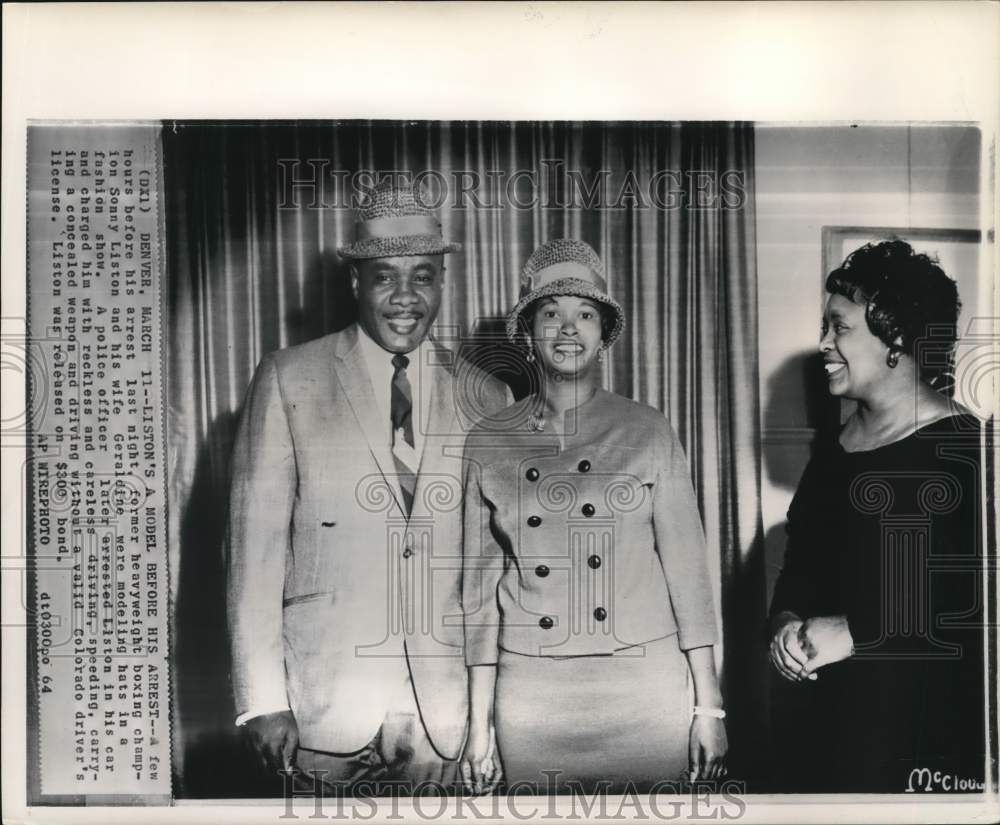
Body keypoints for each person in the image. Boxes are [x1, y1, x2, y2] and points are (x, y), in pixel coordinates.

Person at [227, 178, 509, 794]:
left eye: (423, 276)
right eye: (385, 277)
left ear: (443, 280)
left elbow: (491, 576)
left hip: (443, 714)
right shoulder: (288, 378)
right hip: (318, 706)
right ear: (356, 282)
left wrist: (487, 717)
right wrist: (261, 700)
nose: (406, 297)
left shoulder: (489, 396)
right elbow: (254, 552)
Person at [459, 239, 727, 795]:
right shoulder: (488, 439)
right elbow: (478, 597)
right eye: (549, 313)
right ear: (528, 333)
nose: (567, 328)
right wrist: (480, 724)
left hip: (644, 687)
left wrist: (709, 707)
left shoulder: (649, 429)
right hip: (534, 693)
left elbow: (689, 577)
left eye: (585, 314)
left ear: (604, 335)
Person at [768, 240, 991, 793]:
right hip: (826, 727)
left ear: (895, 339)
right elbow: (801, 570)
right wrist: (784, 628)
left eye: (839, 328)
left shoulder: (969, 451)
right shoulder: (831, 453)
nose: (824, 343)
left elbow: (976, 608)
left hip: (924, 736)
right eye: (825, 327)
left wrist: (858, 632)